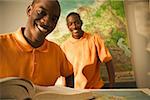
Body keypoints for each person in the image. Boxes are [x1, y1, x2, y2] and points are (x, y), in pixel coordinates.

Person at [0, 0, 74, 88]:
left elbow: (69, 73)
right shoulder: (2, 44)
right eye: (41, 12)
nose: (47, 22)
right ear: (29, 11)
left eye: (54, 19)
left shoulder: (56, 51)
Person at [60, 12, 115, 89]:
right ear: (68, 26)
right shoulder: (64, 46)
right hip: (75, 92)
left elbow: (108, 61)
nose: (74, 26)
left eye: (77, 23)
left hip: (95, 89)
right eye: (71, 24)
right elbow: (65, 73)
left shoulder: (94, 39)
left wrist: (112, 86)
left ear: (81, 23)